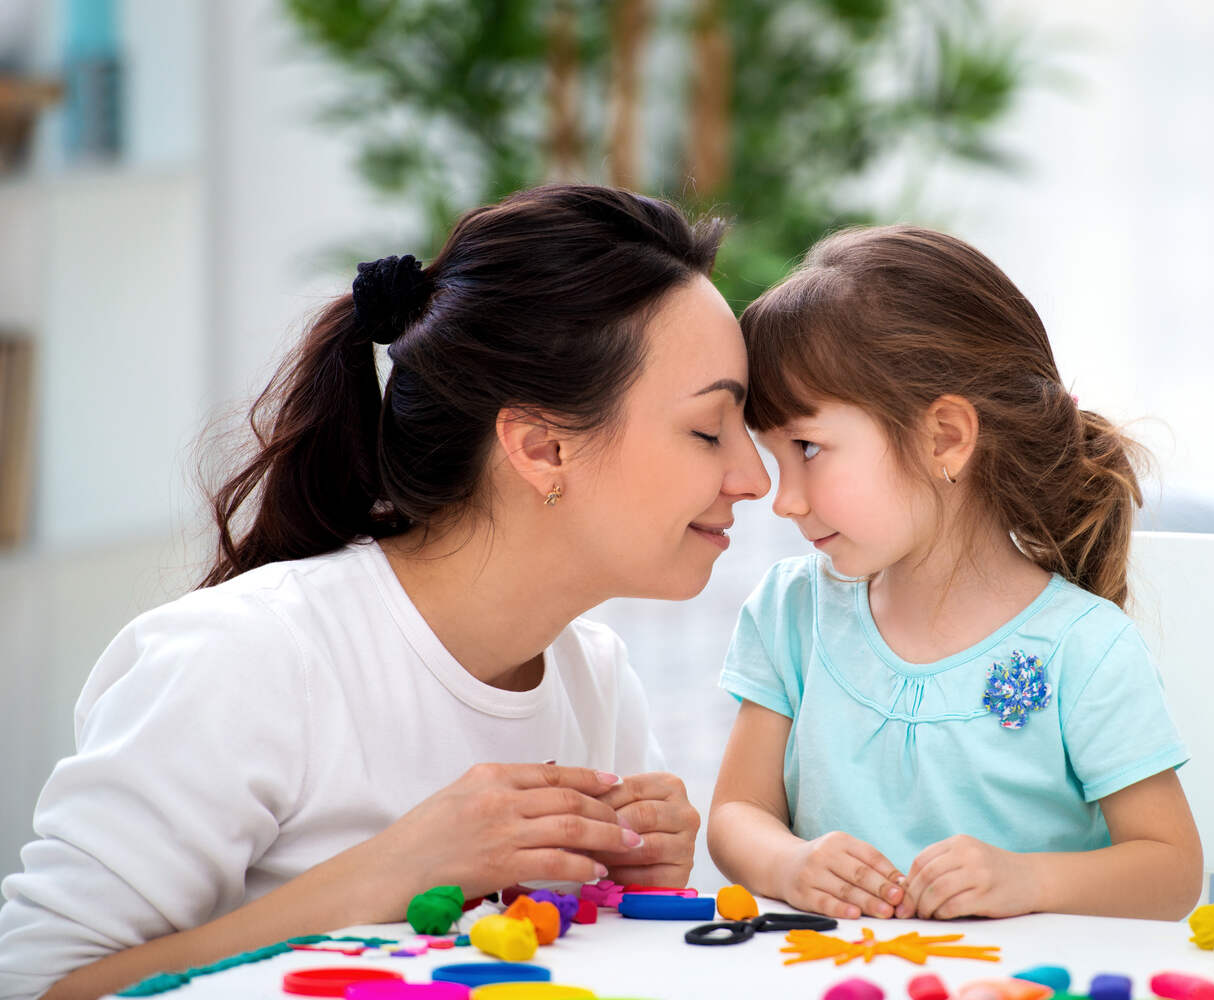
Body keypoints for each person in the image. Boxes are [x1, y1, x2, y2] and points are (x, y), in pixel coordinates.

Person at [0, 185, 770, 1000]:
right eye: (708, 431)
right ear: (542, 448)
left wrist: (633, 890)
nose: (754, 478)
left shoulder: (595, 679)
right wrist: (386, 879)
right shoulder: (248, 658)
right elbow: (43, 985)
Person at [707, 225, 1202, 923]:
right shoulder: (793, 612)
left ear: (945, 437)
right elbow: (735, 813)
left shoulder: (1082, 648)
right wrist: (789, 863)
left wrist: (1031, 882)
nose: (782, 498)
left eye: (809, 448)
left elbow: (1172, 871)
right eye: (775, 456)